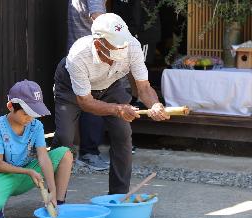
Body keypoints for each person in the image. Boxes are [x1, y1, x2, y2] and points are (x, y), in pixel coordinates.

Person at [52, 13, 170, 194]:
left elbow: (144, 88)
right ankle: (55, 198)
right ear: (98, 44)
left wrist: (155, 105)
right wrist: (117, 109)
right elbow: (86, 103)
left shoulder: (132, 45)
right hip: (71, 88)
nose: (119, 57)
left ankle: (118, 196)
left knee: (123, 134)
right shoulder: (78, 55)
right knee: (64, 138)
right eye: (115, 52)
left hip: (109, 85)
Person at [0, 80, 73, 218]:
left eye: (33, 113)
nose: (30, 118)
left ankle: (57, 203)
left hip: (26, 174)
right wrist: (28, 172)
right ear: (11, 106)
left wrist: (51, 189)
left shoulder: (36, 126)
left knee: (65, 154)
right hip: (0, 177)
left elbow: (43, 157)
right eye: (26, 113)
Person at [67, 0, 109, 171]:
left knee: (85, 102)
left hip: (78, 52)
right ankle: (89, 153)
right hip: (90, 55)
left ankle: (84, 152)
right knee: (93, 104)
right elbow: (99, 19)